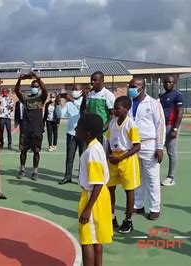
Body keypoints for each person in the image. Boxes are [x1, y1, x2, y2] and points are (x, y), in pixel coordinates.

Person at [75, 113, 113, 266]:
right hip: (100, 196)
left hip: (93, 197)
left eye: (79, 127)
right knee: (97, 239)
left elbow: (97, 183)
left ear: (87, 133)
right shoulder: (97, 146)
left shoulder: (92, 152)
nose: (76, 129)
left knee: (87, 239)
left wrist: (87, 209)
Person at [128, 78, 165, 220]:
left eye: (134, 86)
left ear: (142, 87)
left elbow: (160, 126)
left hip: (149, 145)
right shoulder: (128, 103)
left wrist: (160, 147)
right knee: (137, 177)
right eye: (130, 86)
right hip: (133, 145)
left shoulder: (154, 103)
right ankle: (138, 204)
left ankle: (155, 207)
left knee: (152, 178)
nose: (131, 88)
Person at [106, 96, 141, 234]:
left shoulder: (130, 124)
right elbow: (109, 139)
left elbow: (137, 146)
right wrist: (109, 155)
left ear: (126, 109)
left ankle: (128, 220)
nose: (115, 110)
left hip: (126, 158)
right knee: (110, 188)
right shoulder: (113, 122)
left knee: (129, 190)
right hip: (113, 159)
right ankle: (112, 217)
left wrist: (121, 157)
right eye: (114, 107)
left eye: (118, 108)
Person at [14, 72, 47, 181]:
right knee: (23, 151)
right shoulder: (26, 98)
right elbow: (16, 91)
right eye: (33, 86)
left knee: (36, 151)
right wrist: (19, 80)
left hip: (37, 129)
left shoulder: (41, 98)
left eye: (36, 87)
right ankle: (22, 170)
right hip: (26, 129)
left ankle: (35, 172)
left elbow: (45, 90)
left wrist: (38, 78)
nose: (34, 88)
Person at [56, 85, 86, 185]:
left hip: (83, 134)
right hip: (71, 134)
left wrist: (73, 101)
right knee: (70, 157)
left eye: (76, 90)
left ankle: (82, 178)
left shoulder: (83, 101)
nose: (73, 91)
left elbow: (83, 110)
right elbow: (60, 114)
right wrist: (58, 105)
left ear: (81, 91)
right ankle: (67, 176)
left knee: (83, 157)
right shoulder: (68, 104)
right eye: (72, 89)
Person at [159, 75, 183, 186]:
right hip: (162, 127)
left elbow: (180, 113)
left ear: (174, 83)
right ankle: (154, 176)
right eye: (166, 82)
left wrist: (175, 128)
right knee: (157, 150)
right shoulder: (163, 96)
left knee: (171, 152)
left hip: (171, 126)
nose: (168, 84)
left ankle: (171, 177)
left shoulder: (177, 95)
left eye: (170, 82)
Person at [80, 71, 115, 144]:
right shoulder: (90, 94)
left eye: (95, 80)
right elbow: (85, 110)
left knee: (102, 153)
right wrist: (84, 98)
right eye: (91, 80)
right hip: (91, 132)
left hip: (103, 133)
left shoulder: (108, 95)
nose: (92, 82)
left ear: (102, 81)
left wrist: (105, 127)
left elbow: (113, 114)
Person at [0, 82, 14, 149]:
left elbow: (12, 107)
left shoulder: (10, 99)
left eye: (5, 91)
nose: (4, 92)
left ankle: (9, 144)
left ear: (7, 92)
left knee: (9, 131)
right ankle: (1, 144)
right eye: (3, 91)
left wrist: (9, 110)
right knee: (1, 131)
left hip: (8, 117)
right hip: (1, 117)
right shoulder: (0, 98)